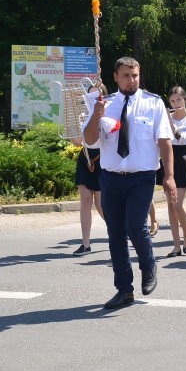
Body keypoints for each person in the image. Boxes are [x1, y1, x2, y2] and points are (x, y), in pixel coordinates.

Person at [83, 57, 177, 310]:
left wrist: (169, 176)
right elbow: (89, 139)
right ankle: (124, 289)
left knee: (135, 226)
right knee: (115, 234)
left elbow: (165, 141)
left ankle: (148, 265)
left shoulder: (153, 103)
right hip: (111, 177)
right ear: (115, 77)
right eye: (126, 75)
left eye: (134, 75)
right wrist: (96, 115)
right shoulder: (104, 104)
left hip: (142, 177)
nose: (131, 80)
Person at [73, 85, 108, 255]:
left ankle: (117, 232)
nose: (93, 97)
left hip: (101, 158)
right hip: (85, 157)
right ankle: (85, 243)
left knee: (101, 204)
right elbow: (76, 142)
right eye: (91, 94)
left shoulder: (108, 114)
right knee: (85, 201)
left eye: (97, 95)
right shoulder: (82, 116)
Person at [164, 86, 186, 257]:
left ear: (185, 100)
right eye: (172, 101)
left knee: (177, 203)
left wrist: (170, 124)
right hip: (168, 158)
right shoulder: (166, 117)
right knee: (170, 204)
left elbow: (184, 138)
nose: (175, 103)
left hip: (184, 157)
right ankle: (176, 244)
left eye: (179, 100)